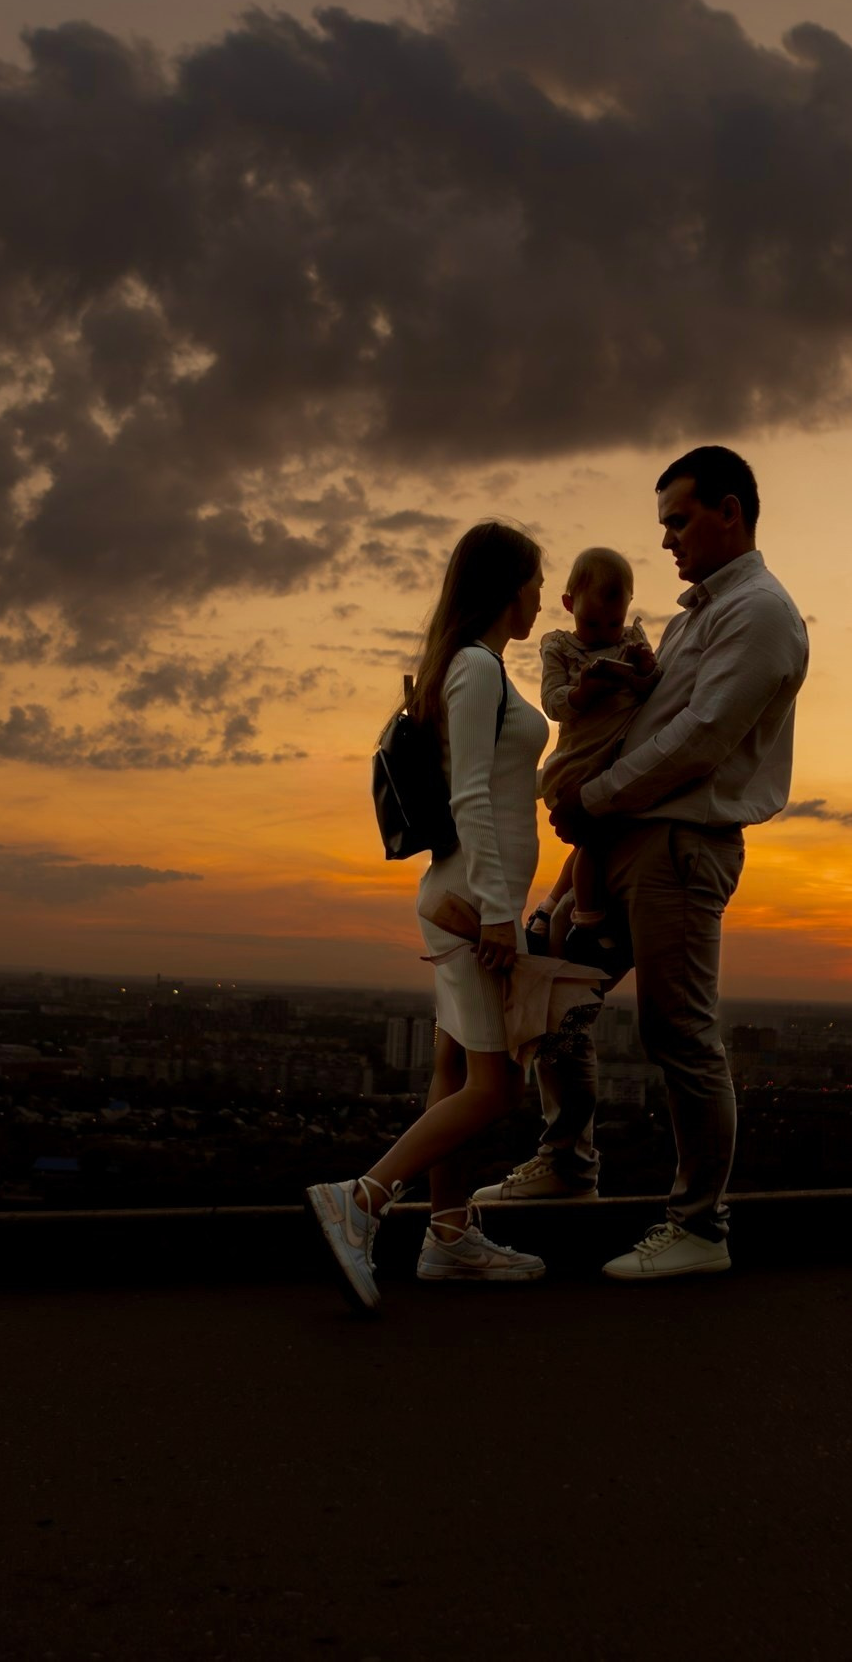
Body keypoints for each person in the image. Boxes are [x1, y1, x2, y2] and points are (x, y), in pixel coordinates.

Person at [475, 446, 808, 1282]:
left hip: (680, 847)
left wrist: (596, 797)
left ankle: (701, 1225)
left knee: (678, 1031)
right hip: (620, 840)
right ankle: (568, 1162)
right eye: (663, 524)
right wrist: (583, 836)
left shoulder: (760, 612)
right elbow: (638, 724)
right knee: (548, 976)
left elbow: (700, 739)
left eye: (679, 520)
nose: (666, 541)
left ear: (729, 512)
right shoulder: (695, 616)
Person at [307, 520, 555, 1310]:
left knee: (452, 1071)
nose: (542, 596)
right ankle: (363, 1199)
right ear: (507, 585)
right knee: (497, 1088)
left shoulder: (474, 668)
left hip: (465, 898)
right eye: (535, 581)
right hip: (469, 907)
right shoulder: (477, 670)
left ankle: (448, 1237)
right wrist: (496, 915)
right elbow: (471, 795)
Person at [526, 547, 657, 968]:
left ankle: (548, 910)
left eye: (613, 622)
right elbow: (552, 702)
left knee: (599, 842)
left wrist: (644, 668)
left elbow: (650, 692)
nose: (603, 633)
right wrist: (582, 692)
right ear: (569, 605)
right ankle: (588, 918)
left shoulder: (631, 640)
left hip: (615, 760)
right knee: (594, 842)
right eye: (591, 623)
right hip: (580, 763)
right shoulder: (561, 650)